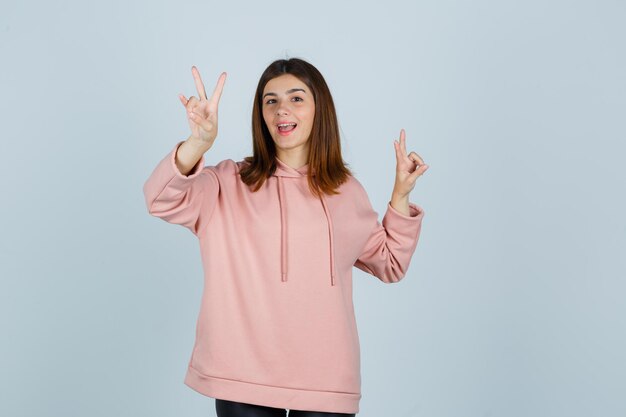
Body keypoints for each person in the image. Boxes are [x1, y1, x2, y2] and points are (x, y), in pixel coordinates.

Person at [143, 58, 429, 417]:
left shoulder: (346, 192)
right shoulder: (230, 182)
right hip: (243, 375)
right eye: (270, 100)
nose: (282, 110)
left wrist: (400, 195)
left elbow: (390, 263)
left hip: (327, 378)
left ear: (318, 108)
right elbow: (160, 198)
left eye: (296, 98)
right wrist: (197, 143)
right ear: (260, 113)